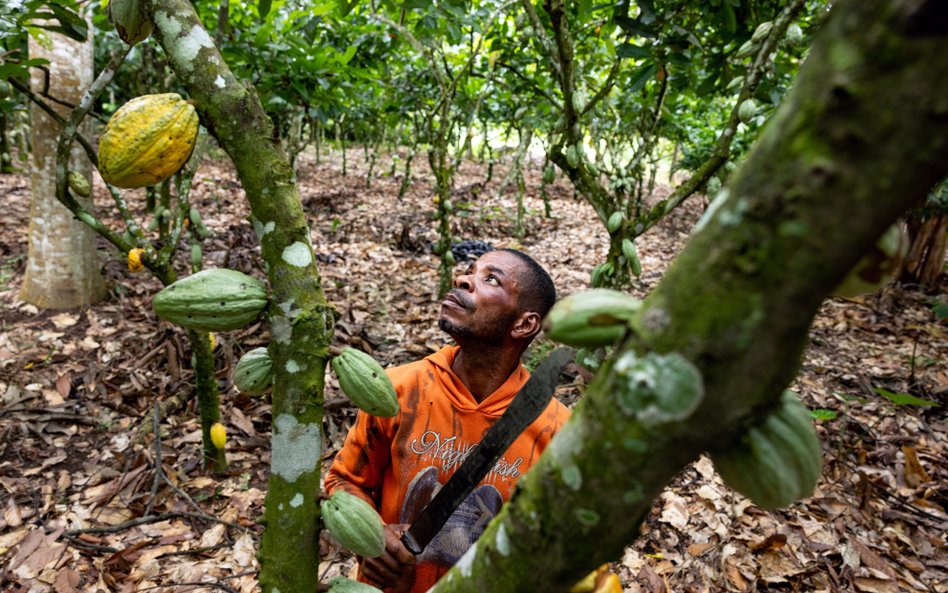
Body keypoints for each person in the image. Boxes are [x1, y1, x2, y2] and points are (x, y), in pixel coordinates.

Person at [324, 248, 570, 593]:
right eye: (469, 271)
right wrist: (372, 535)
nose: (463, 279)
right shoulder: (398, 390)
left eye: (490, 279)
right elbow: (344, 481)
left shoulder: (556, 429)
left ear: (524, 324)